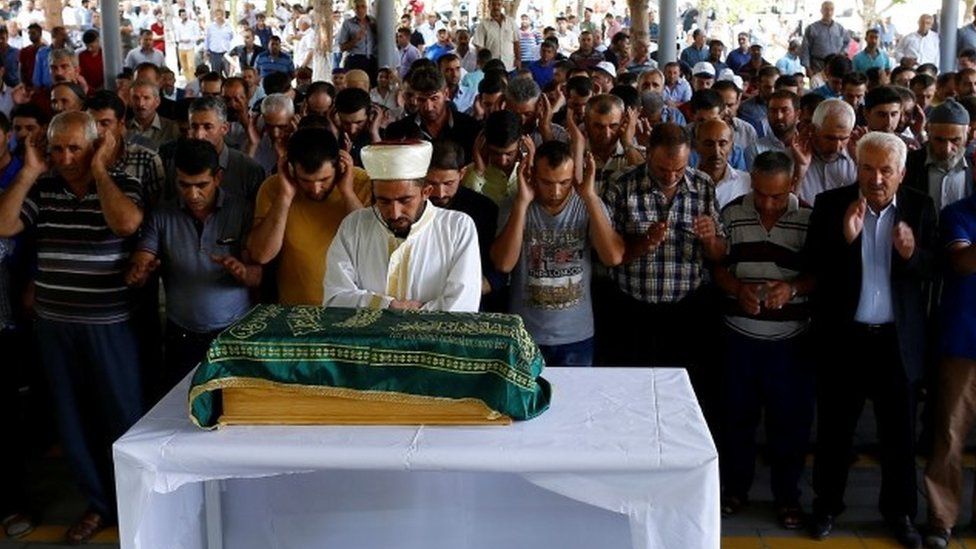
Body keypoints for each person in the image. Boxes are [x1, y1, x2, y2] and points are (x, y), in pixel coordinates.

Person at [0, 111, 144, 544]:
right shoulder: (42, 186)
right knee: (73, 421)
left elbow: (126, 224)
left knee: (123, 419)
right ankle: (100, 505)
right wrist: (28, 171)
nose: (64, 158)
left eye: (74, 148)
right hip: (54, 325)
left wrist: (99, 170)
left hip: (109, 325)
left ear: (95, 145)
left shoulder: (122, 183)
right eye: (57, 148)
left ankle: (137, 504)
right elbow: (4, 226)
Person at [805, 131, 936, 549]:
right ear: (855, 165)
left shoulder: (919, 206)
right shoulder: (831, 205)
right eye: (867, 168)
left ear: (901, 172)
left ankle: (899, 513)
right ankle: (826, 506)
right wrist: (845, 239)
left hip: (896, 342)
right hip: (845, 340)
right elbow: (813, 268)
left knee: (898, 436)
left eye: (885, 170)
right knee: (833, 431)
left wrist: (912, 254)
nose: (875, 178)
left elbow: (934, 270)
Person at [714, 150, 814, 530]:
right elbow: (718, 267)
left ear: (791, 185)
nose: (767, 202)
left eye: (775, 195)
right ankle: (735, 490)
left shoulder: (808, 218)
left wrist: (791, 288)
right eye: (760, 193)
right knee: (736, 419)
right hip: (740, 339)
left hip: (790, 343)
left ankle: (787, 497)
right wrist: (737, 288)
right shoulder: (733, 214)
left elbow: (820, 274)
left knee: (789, 425)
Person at [126, 138, 258, 389]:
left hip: (233, 332)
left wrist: (242, 272)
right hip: (182, 335)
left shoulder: (241, 210)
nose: (192, 194)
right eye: (184, 185)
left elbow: (258, 276)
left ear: (218, 178)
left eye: (201, 185)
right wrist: (139, 271)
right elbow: (143, 257)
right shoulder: (162, 215)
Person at [601, 122, 726, 369]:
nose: (670, 177)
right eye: (661, 169)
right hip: (632, 311)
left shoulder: (702, 185)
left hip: (686, 312)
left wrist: (710, 239)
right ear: (648, 153)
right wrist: (643, 243)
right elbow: (605, 254)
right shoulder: (621, 184)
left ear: (690, 155)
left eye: (679, 170)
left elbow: (719, 254)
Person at [491, 140, 623, 366]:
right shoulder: (515, 204)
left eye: (564, 182)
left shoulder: (588, 204)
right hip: (525, 333)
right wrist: (522, 204)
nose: (555, 191)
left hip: (576, 334)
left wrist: (590, 197)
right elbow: (504, 264)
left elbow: (612, 257)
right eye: (546, 182)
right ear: (531, 175)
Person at [323, 140, 482, 312]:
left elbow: (462, 306)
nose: (395, 213)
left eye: (405, 200)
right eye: (383, 201)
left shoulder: (458, 228)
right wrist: (388, 305)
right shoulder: (354, 226)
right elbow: (335, 299)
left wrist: (372, 305)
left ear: (425, 192)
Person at [247, 127, 369, 305]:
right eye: (305, 180)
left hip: (351, 308)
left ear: (339, 166)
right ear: (291, 168)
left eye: (324, 179)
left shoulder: (360, 182)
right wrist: (285, 196)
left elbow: (369, 246)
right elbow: (261, 255)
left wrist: (347, 193)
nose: (315, 189)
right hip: (295, 309)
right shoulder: (274, 188)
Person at [922, 180, 976, 549]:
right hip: (963, 342)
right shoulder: (957, 213)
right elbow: (962, 261)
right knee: (950, 435)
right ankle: (942, 519)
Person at [425, 140, 502, 310]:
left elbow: (498, 266)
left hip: (474, 302)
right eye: (431, 183)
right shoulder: (414, 207)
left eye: (448, 183)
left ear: (462, 174)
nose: (439, 193)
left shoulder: (483, 209)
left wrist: (474, 288)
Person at [386, 66, 482, 163]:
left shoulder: (470, 129)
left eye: (434, 99)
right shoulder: (398, 131)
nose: (428, 107)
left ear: (446, 94)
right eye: (421, 100)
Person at [904, 100, 972, 213]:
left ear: (967, 134)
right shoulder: (910, 163)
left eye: (955, 140)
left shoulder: (973, 165)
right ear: (928, 132)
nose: (946, 149)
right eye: (939, 140)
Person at [792, 98, 857, 205]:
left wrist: (860, 162)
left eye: (844, 139)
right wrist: (801, 169)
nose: (837, 147)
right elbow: (786, 209)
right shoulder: (793, 157)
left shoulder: (856, 159)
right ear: (812, 130)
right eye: (830, 138)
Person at [695, 119, 751, 208]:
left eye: (722, 144)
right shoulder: (684, 182)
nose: (716, 151)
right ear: (697, 146)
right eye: (709, 144)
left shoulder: (747, 183)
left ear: (731, 146)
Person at [126, 80, 180, 152]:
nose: (140, 104)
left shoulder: (172, 128)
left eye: (146, 98)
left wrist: (131, 137)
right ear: (130, 101)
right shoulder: (124, 127)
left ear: (157, 101)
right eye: (136, 98)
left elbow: (161, 150)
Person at [800, 1, 849, 76]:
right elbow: (805, 49)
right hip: (817, 66)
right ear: (821, 11)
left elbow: (847, 42)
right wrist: (808, 68)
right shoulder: (812, 28)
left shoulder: (840, 28)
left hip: (835, 66)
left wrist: (842, 53)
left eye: (831, 9)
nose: (828, 12)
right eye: (826, 9)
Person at [472, 0, 520, 71]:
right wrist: (484, 65)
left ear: (502, 5)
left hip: (510, 66)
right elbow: (479, 47)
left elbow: (516, 42)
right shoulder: (483, 24)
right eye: (493, 4)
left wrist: (518, 59)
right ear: (489, 6)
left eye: (499, 4)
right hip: (491, 69)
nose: (496, 7)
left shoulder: (511, 22)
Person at [338, 0, 377, 83]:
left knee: (371, 85)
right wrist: (355, 39)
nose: (360, 10)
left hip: (371, 60)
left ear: (366, 8)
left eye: (363, 6)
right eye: (357, 7)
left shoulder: (373, 22)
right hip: (355, 59)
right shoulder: (348, 23)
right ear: (354, 9)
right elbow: (342, 47)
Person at [205, 8, 233, 76]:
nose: (219, 17)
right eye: (217, 15)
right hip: (214, 54)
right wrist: (206, 50)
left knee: (228, 74)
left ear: (223, 15)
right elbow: (207, 39)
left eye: (220, 15)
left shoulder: (229, 26)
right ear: (214, 16)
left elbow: (232, 39)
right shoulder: (210, 27)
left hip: (226, 53)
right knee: (216, 75)